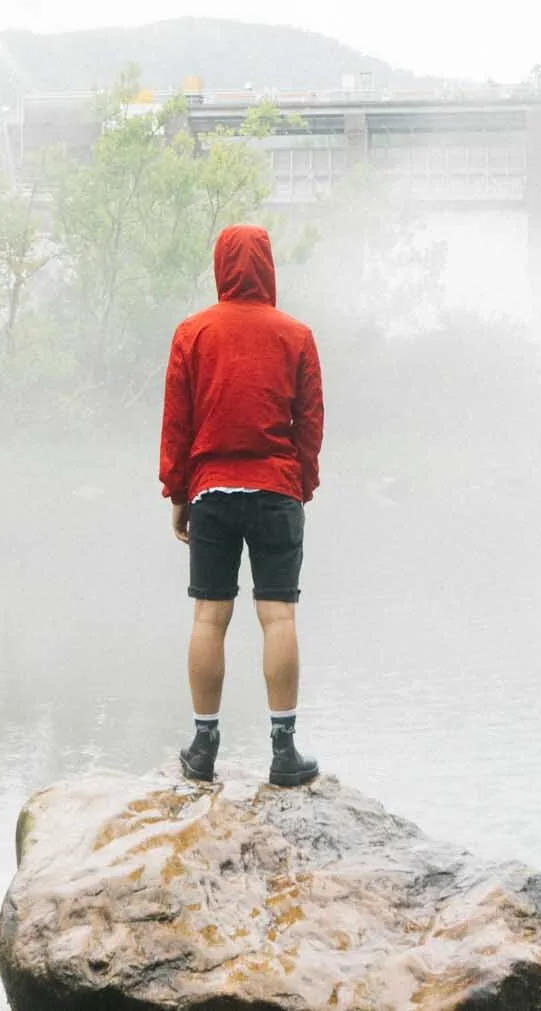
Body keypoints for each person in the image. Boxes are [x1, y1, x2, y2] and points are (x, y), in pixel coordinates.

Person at [160, 222, 323, 787]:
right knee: (277, 615)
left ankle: (203, 749)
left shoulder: (193, 332)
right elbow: (310, 423)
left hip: (211, 490)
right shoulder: (296, 335)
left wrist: (178, 493)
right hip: (276, 488)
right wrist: (300, 485)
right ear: (267, 265)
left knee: (210, 615)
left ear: (220, 266)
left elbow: (177, 423)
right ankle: (284, 752)